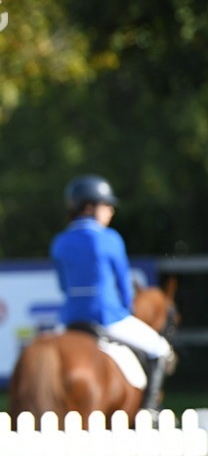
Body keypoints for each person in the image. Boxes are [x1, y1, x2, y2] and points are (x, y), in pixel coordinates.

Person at [51, 174, 173, 412]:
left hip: (69, 320)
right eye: (106, 205)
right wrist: (128, 307)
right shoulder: (110, 238)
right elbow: (123, 284)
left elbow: (63, 286)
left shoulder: (59, 242)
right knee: (159, 348)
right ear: (88, 207)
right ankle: (150, 411)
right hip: (107, 316)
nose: (111, 211)